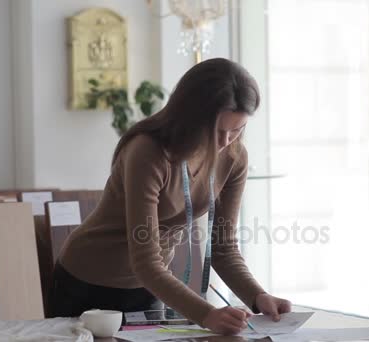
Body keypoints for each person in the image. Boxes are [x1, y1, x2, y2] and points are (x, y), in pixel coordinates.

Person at [49, 58, 291, 335]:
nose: (225, 142)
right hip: (88, 282)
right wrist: (207, 314)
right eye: (217, 131)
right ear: (190, 116)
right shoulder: (148, 152)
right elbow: (146, 262)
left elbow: (223, 248)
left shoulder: (235, 158)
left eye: (236, 130)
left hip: (151, 285)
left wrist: (258, 297)